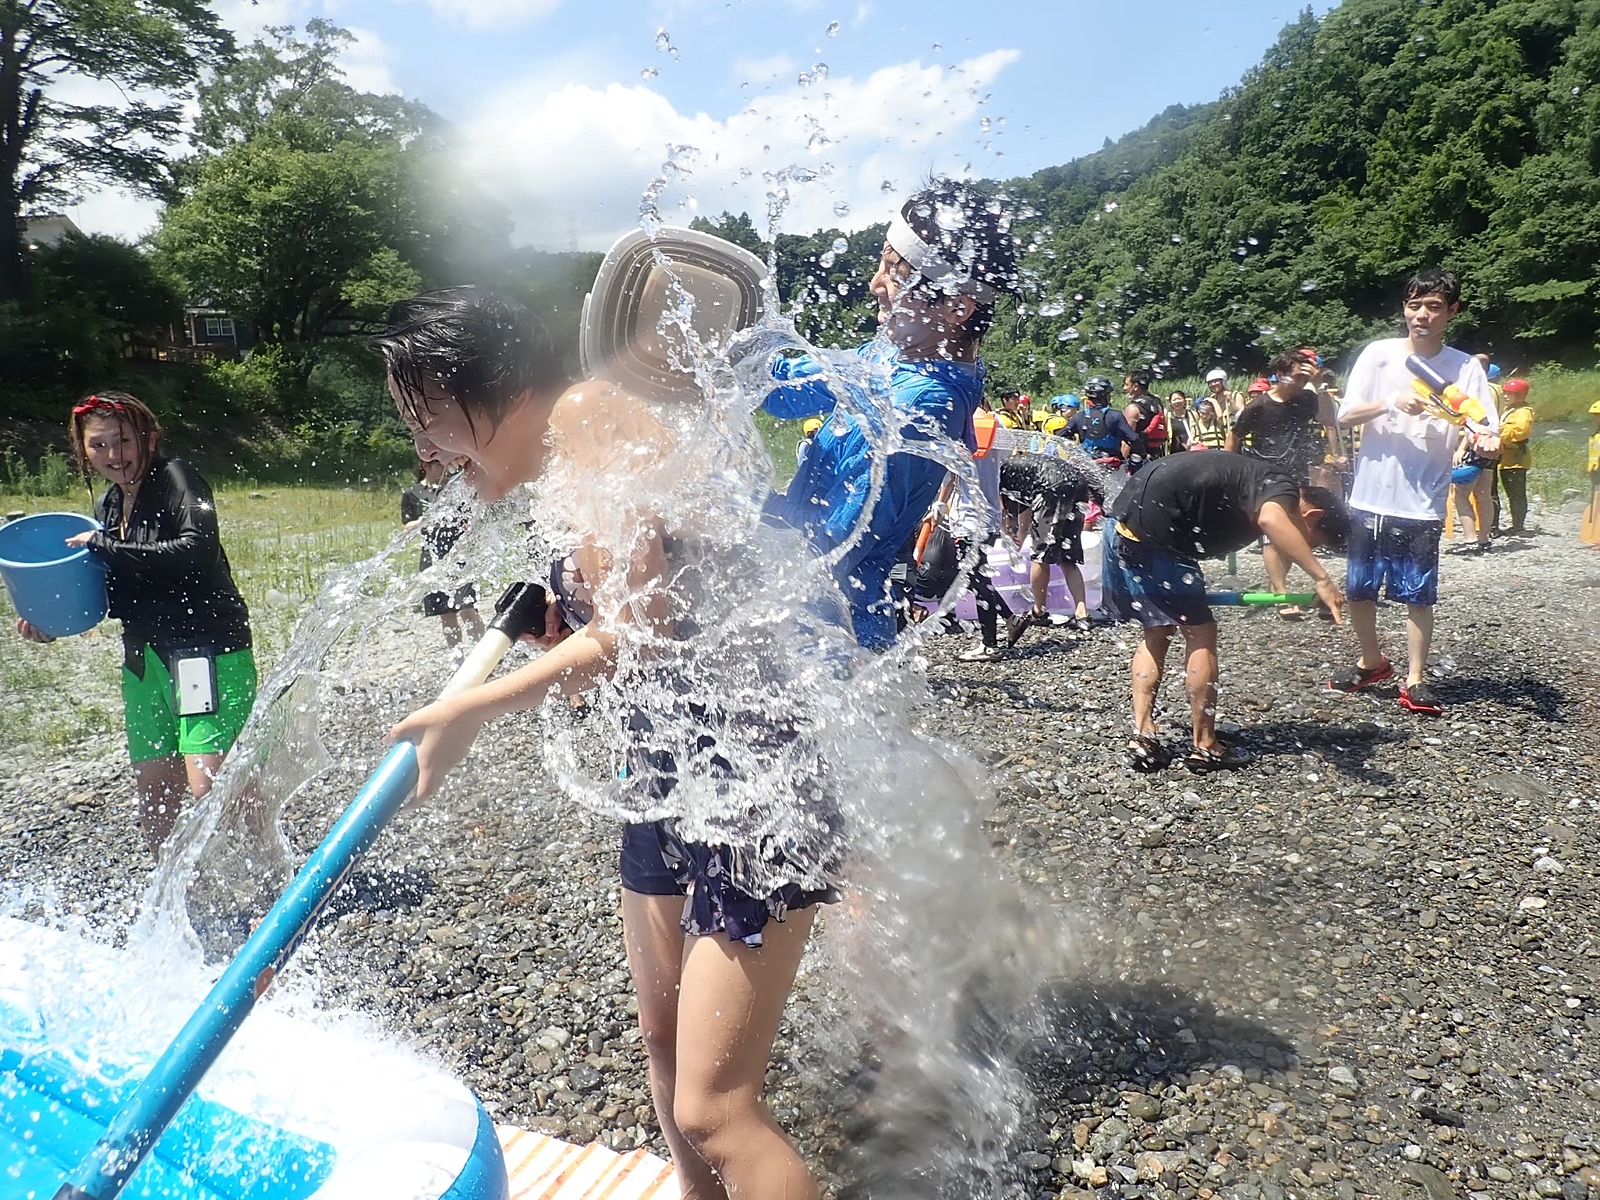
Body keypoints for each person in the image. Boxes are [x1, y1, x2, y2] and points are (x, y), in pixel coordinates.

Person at [375, 287, 831, 1199]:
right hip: (666, 766)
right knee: (663, 1040)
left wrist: (471, 709)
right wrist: (559, 613)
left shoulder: (587, 414)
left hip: (754, 770)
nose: (426, 450)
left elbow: (636, 627)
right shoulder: (563, 456)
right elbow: (641, 606)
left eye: (430, 418)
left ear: (501, 386)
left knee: (718, 1107)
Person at [762, 180, 1020, 650]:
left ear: (957, 306)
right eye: (882, 263)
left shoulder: (920, 404)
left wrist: (734, 498)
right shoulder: (899, 355)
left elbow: (825, 550)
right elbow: (786, 391)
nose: (874, 284)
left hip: (828, 638)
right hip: (808, 616)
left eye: (893, 273)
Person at [13, 393, 256, 850]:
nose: (112, 456)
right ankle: (176, 905)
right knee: (157, 802)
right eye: (98, 446)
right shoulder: (108, 505)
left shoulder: (177, 478)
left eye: (123, 441)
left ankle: (271, 874)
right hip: (144, 662)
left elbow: (197, 550)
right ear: (82, 451)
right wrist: (49, 624)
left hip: (205, 651)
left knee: (211, 787)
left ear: (150, 438)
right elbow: (106, 593)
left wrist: (105, 546)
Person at [1101, 451, 1347, 772]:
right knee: (1200, 634)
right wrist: (1322, 578)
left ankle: (1143, 736)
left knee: (1157, 631)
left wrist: (1303, 594)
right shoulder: (1281, 486)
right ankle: (1205, 745)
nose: (1307, 548)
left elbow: (1275, 540)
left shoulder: (1259, 484)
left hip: (1121, 526)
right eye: (1314, 542)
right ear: (1313, 515)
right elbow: (1271, 521)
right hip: (1159, 532)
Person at [1328, 269, 1496, 716]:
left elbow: (1484, 425)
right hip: (1368, 495)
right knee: (1360, 588)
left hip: (1422, 499)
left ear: (1452, 311)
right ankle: (1371, 661)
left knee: (1418, 593)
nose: (1422, 314)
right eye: (1414, 305)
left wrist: (1486, 438)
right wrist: (1390, 401)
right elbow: (1345, 415)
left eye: (1434, 306)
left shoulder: (1464, 367)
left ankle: (1416, 678)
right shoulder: (1378, 355)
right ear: (1404, 308)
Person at [1228, 348, 1342, 617]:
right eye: (1296, 378)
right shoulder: (1259, 406)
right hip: (1264, 476)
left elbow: (1329, 419)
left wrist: (1318, 385)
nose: (1300, 384)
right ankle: (1279, 594)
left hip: (1296, 475)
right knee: (1272, 535)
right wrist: (1231, 472)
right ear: (1279, 375)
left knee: (1293, 534)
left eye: (1304, 379)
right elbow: (1234, 437)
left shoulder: (1306, 399)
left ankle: (1276, 586)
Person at [999, 451, 1095, 634]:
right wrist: (1020, 533)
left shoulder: (997, 474)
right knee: (1067, 556)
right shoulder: (1015, 468)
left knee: (1040, 554)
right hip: (1077, 483)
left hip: (1051, 487)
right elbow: (1026, 506)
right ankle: (1082, 614)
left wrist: (1008, 533)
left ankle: (1039, 611)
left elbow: (1002, 511)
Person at [401, 458, 485, 649]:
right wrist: (424, 521)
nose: (445, 468)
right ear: (425, 466)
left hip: (460, 557)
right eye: (439, 464)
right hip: (432, 560)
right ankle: (458, 661)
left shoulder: (456, 489)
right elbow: (406, 526)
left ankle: (481, 655)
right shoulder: (413, 494)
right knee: (446, 615)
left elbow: (471, 516)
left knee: (467, 609)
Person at [1066, 375, 1138, 467]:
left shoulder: (1078, 417)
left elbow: (1061, 436)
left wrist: (1074, 451)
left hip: (1086, 465)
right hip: (1111, 466)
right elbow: (1134, 438)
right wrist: (1142, 454)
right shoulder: (1115, 416)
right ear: (1106, 395)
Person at [1493, 379, 1533, 537]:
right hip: (1505, 458)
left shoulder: (1524, 412)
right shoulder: (1508, 410)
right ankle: (1515, 524)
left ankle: (1518, 525)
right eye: (1506, 393)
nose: (1506, 396)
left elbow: (1518, 431)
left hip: (1516, 458)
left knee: (1516, 493)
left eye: (1511, 394)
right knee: (1510, 491)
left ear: (1521, 395)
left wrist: (1496, 432)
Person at [1121, 368, 1168, 470]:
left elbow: (1128, 439)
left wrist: (1120, 463)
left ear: (1135, 386)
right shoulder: (1157, 402)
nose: (1124, 388)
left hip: (1137, 461)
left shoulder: (1133, 408)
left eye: (1127, 384)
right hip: (1156, 457)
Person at [1582, 401, 1600, 549]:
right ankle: (1595, 536)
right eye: (1595, 416)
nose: (1596, 419)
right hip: (1595, 473)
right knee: (1596, 504)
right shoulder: (1596, 435)